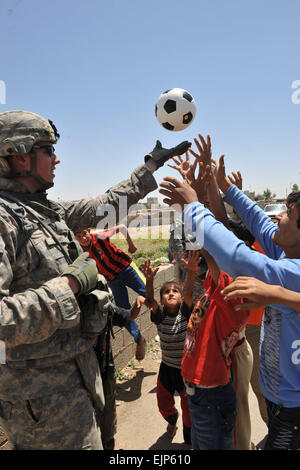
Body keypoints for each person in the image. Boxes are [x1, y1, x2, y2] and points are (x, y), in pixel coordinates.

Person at [0, 109, 191, 450]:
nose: (56, 159)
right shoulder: (4, 220)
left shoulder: (43, 210)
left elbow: (105, 206)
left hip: (79, 377)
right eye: (47, 150)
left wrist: (150, 166)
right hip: (42, 404)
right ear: (18, 155)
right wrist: (71, 285)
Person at [159, 132, 300, 450]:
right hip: (281, 403)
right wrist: (226, 188)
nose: (278, 216)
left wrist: (194, 206)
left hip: (292, 410)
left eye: (289, 214)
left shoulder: (291, 270)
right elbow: (256, 224)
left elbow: (234, 254)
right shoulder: (286, 254)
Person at [142, 252, 200, 448]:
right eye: (167, 292)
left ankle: (188, 441)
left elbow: (190, 292)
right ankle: (172, 419)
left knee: (189, 410)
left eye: (175, 291)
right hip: (167, 369)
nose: (172, 293)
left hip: (185, 370)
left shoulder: (185, 312)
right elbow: (149, 300)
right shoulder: (159, 316)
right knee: (163, 404)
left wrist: (191, 272)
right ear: (162, 299)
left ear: (181, 297)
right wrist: (149, 281)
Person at [75, 225, 147, 360]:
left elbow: (123, 227)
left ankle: (168, 328)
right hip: (113, 281)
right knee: (125, 314)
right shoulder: (80, 254)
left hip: (126, 269)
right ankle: (139, 339)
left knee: (148, 294)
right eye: (78, 237)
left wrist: (131, 245)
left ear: (89, 231)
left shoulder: (100, 237)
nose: (83, 238)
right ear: (75, 239)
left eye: (84, 234)